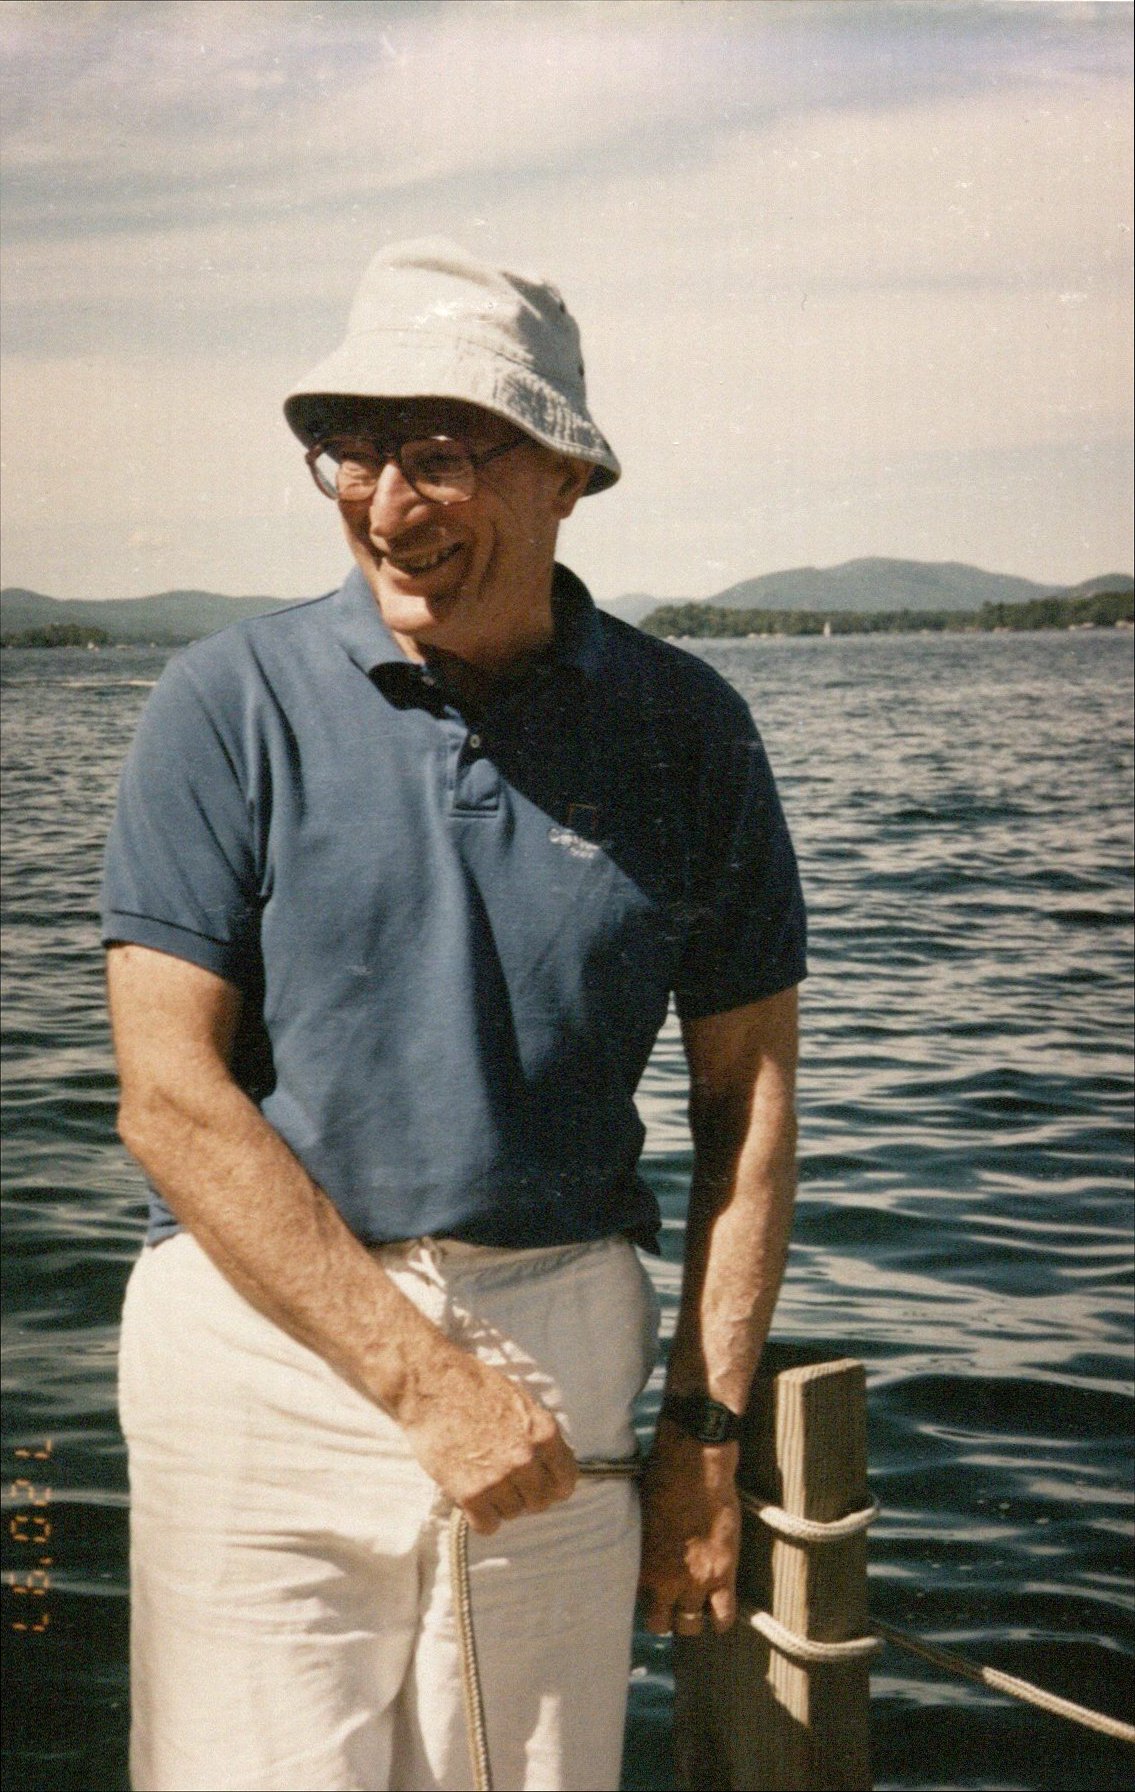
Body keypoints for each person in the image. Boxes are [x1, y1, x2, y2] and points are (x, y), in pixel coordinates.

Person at [102, 239, 805, 1792]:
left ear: (568, 475)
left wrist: (703, 1436)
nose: (383, 506)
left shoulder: (690, 730)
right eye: (351, 454)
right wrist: (424, 1382)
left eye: (436, 452)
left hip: (563, 1353)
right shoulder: (225, 704)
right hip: (263, 1356)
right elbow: (167, 1095)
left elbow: (749, 1104)